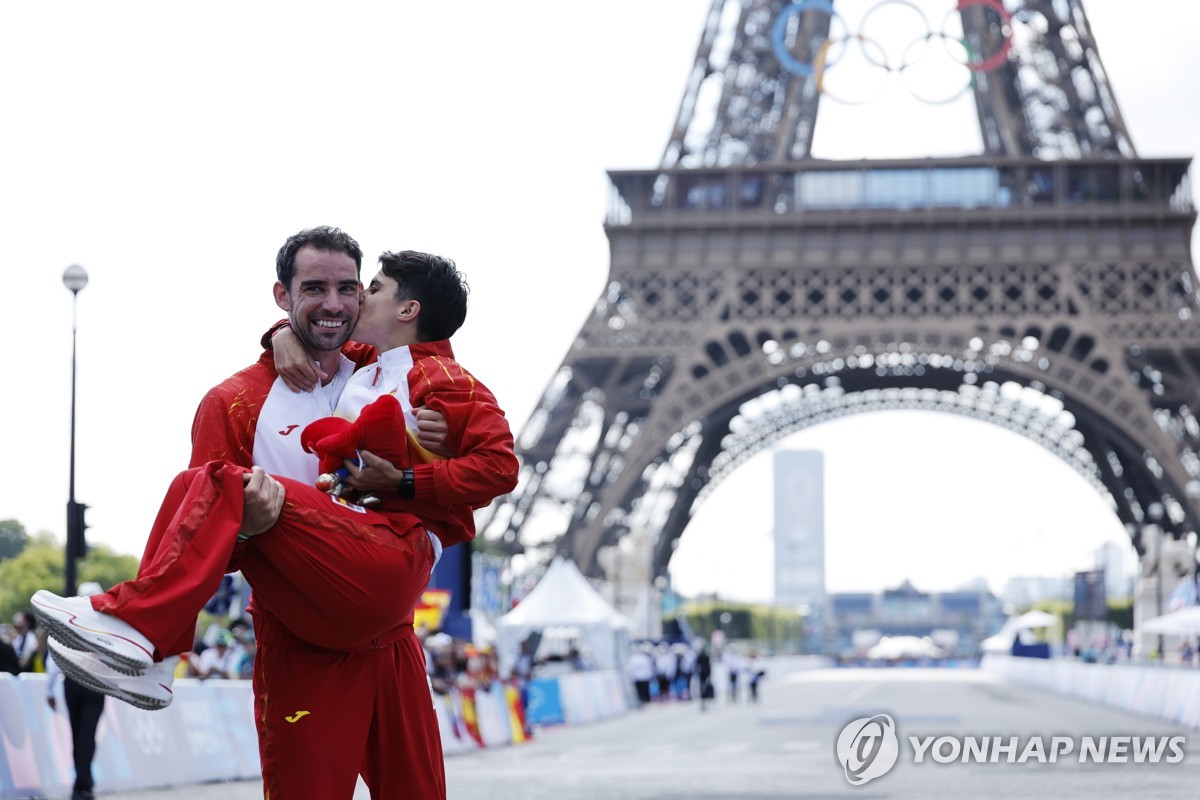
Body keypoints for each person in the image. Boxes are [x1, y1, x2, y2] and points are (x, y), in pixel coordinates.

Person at [35, 231, 519, 800]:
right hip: (305, 627)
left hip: (388, 618)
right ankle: (148, 637)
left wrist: (425, 458)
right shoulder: (234, 403)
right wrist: (250, 522)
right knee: (217, 486)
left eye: (350, 288)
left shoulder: (378, 367)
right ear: (281, 295)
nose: (336, 303)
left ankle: (148, 636)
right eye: (314, 289)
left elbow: (472, 432)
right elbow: (210, 540)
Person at [45, 582, 107, 800]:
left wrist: (49, 689)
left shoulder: (68, 620)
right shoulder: (105, 623)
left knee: (77, 733)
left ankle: (80, 783)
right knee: (87, 735)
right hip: (95, 682)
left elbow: (54, 654)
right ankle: (84, 784)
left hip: (71, 682)